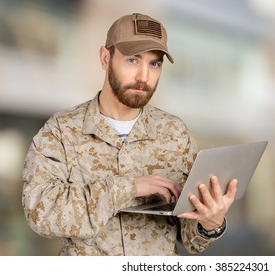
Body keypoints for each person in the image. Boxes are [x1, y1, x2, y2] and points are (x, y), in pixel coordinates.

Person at [22, 13, 238, 256]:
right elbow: (41, 213)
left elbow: (189, 238)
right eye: (133, 60)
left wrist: (209, 223)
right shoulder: (61, 131)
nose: (143, 77)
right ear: (105, 58)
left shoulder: (175, 133)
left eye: (154, 63)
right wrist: (131, 188)